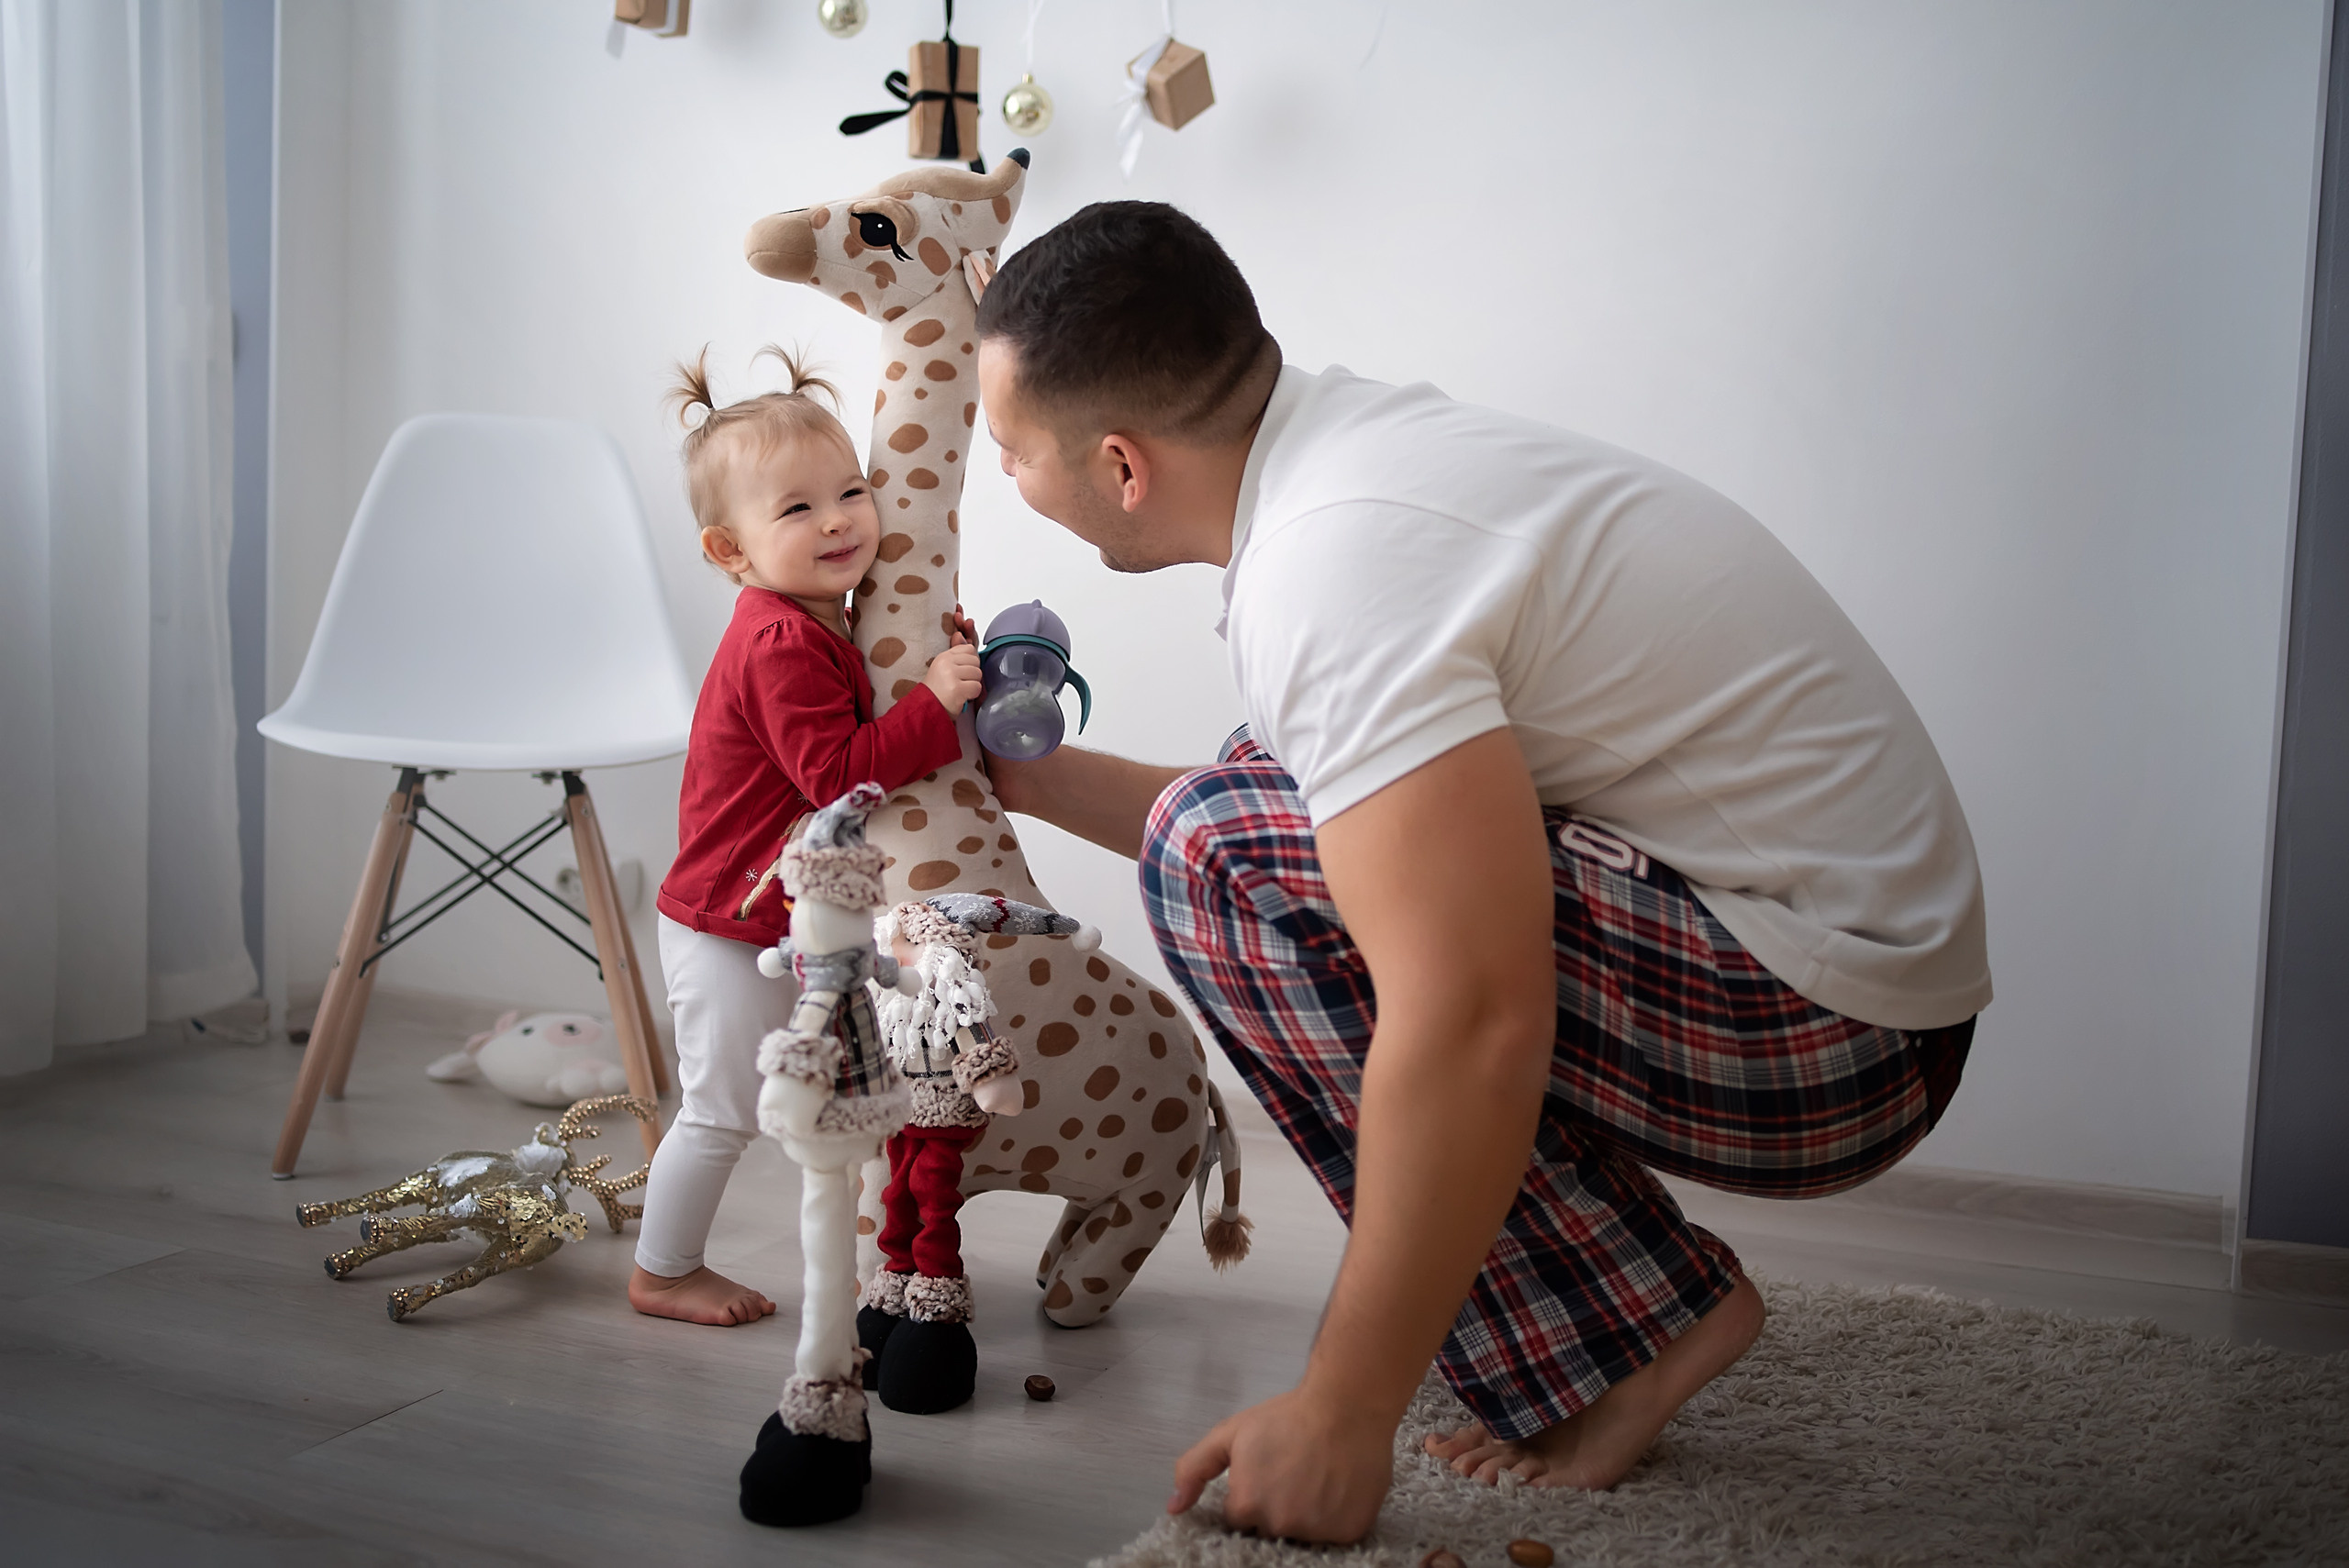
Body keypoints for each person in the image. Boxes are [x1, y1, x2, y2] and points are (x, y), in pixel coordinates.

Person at [969, 204, 1989, 1543]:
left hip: (1837, 1040)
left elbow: (1472, 1013)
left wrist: (1346, 1407)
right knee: (1240, 800)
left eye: (1009, 456)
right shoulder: (1352, 455)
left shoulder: (1332, 569)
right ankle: (1635, 1313)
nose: (1008, 483)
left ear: (1119, 462)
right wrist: (1025, 774)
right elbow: (1332, 843)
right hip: (1841, 973)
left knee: (1218, 845)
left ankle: (1634, 1337)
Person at [629, 348, 982, 1327]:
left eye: (850, 491)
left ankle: (870, 1248)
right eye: (795, 510)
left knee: (834, 1087)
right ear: (728, 551)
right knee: (719, 1109)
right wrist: (933, 701)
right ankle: (662, 1268)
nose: (836, 520)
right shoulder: (781, 638)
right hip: (725, 922)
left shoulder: (824, 618)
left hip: (774, 917)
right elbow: (836, 773)